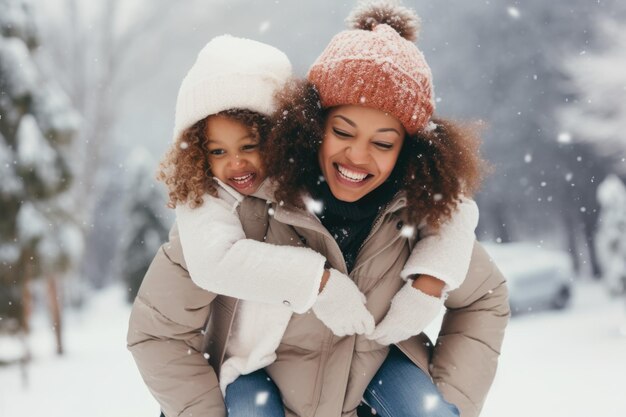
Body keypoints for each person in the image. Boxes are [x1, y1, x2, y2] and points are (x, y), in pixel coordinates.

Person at [128, 2, 509, 417]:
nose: (357, 156)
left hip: (378, 376)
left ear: (408, 151)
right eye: (342, 132)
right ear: (310, 124)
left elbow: (484, 298)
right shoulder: (243, 205)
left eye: (382, 143)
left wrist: (447, 403)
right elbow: (157, 332)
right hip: (256, 385)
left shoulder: (419, 213)